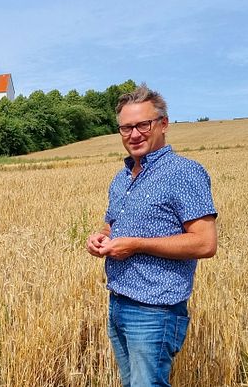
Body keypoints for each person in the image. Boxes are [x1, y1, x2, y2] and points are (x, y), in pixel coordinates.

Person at [86, 84, 218, 387]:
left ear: (163, 124)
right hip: (118, 302)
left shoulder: (183, 173)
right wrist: (100, 236)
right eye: (126, 128)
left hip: (155, 310)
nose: (134, 134)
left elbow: (205, 242)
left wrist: (136, 245)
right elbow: (113, 224)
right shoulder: (122, 178)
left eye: (142, 125)